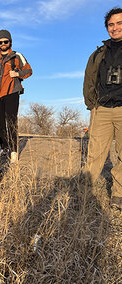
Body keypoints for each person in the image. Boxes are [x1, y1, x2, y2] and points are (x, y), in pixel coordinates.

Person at [83, 7, 122, 210]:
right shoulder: (99, 53)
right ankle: (83, 193)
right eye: (111, 25)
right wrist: (92, 105)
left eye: (119, 23)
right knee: (95, 153)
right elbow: (89, 79)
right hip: (102, 109)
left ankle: (118, 195)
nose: (115, 28)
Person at [0, 29, 32, 163]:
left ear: (10, 42)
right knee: (0, 123)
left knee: (11, 122)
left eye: (5, 41)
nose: (3, 44)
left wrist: (17, 74)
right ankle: (4, 148)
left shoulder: (17, 56)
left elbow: (29, 70)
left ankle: (14, 151)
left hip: (11, 92)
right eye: (0, 42)